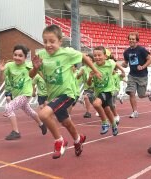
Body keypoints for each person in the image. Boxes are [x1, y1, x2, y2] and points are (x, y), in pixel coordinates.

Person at [30, 24, 101, 159]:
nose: (48, 45)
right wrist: (35, 68)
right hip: (54, 95)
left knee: (44, 114)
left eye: (52, 41)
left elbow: (84, 57)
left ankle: (59, 141)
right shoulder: (41, 55)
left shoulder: (67, 53)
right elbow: (31, 75)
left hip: (68, 93)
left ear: (60, 41)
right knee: (66, 122)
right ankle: (78, 139)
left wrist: (95, 70)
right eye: (45, 41)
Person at [1, 44, 47, 140]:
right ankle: (41, 124)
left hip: (26, 93)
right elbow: (1, 80)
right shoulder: (9, 66)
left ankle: (16, 131)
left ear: (25, 57)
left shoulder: (28, 66)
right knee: (29, 111)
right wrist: (1, 71)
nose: (17, 57)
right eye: (15, 55)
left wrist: (36, 68)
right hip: (17, 94)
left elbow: (32, 74)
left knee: (8, 107)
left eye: (20, 55)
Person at [87, 46, 125, 136]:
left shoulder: (110, 63)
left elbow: (115, 64)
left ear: (105, 56)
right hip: (98, 92)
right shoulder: (92, 67)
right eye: (95, 55)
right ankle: (114, 125)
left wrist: (122, 71)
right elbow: (89, 84)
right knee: (107, 110)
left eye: (99, 55)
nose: (97, 57)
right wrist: (90, 77)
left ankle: (104, 122)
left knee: (96, 104)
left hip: (108, 90)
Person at [122, 32, 151, 118]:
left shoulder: (141, 50)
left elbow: (150, 60)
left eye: (133, 39)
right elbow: (126, 62)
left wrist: (143, 66)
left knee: (141, 95)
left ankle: (148, 93)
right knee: (131, 93)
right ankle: (135, 112)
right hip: (132, 75)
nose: (131, 40)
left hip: (142, 76)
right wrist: (124, 64)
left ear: (137, 40)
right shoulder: (126, 52)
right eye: (130, 39)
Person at [77, 53, 96, 118]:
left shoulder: (95, 67)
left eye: (89, 60)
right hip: (87, 88)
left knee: (95, 103)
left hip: (96, 88)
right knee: (85, 97)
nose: (87, 61)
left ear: (92, 60)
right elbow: (77, 78)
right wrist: (80, 74)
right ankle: (88, 112)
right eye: (86, 60)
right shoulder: (83, 68)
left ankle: (101, 111)